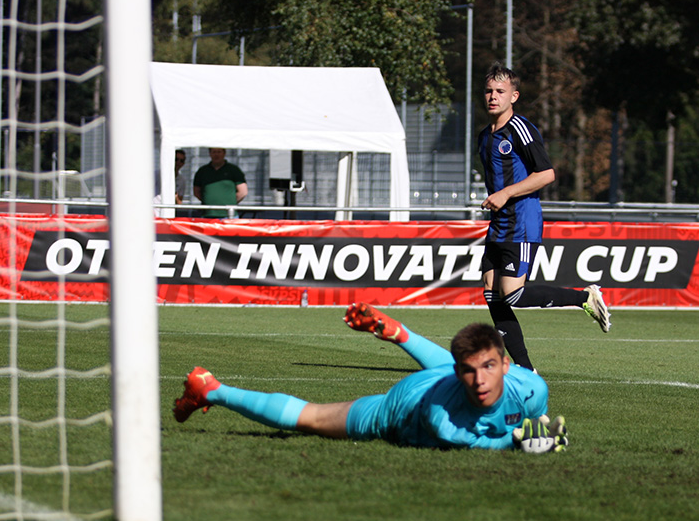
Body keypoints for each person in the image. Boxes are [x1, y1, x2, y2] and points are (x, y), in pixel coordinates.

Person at [173, 303, 567, 453]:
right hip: (401, 410)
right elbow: (483, 445)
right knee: (309, 418)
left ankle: (398, 332)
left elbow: (541, 421)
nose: (480, 379)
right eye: (470, 370)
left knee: (448, 371)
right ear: (460, 371)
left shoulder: (532, 388)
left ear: (506, 364)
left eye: (489, 367)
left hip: (439, 381)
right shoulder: (439, 417)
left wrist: (544, 431)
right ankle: (214, 390)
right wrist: (520, 443)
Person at [477, 62, 610, 371]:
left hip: (522, 223)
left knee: (512, 295)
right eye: (488, 91)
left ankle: (584, 298)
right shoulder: (484, 136)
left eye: (500, 91)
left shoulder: (520, 129)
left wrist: (506, 193)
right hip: (499, 225)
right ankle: (526, 368)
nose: (493, 96)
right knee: (492, 292)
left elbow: (547, 173)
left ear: (514, 96)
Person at [192, 147, 248, 217]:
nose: (216, 155)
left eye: (219, 152)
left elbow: (243, 192)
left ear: (224, 153)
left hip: (229, 215)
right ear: (210, 154)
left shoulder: (234, 170)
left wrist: (230, 202)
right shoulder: (202, 171)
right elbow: (196, 192)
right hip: (207, 215)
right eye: (214, 152)